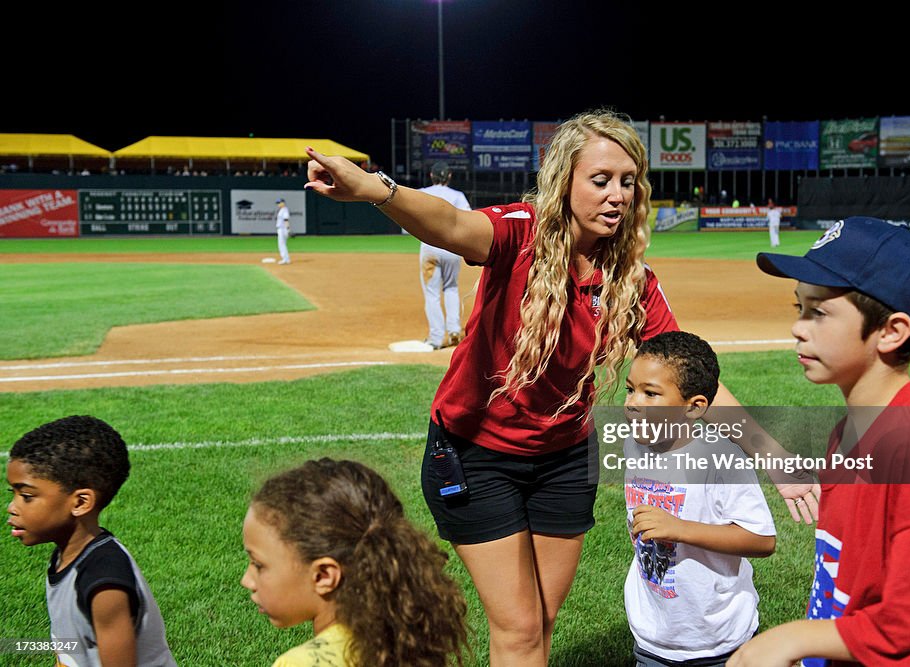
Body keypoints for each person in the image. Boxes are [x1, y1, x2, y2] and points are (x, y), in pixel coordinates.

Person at [304, 109, 816, 666]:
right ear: (563, 182)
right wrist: (379, 190)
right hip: (477, 455)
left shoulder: (632, 280)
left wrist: (776, 458)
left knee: (542, 620)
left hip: (564, 459)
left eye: (627, 182)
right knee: (520, 628)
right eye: (600, 181)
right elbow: (452, 227)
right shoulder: (521, 233)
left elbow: (695, 382)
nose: (616, 195)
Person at [728, 217, 910, 666]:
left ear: (891, 331)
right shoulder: (849, 432)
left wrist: (792, 639)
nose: (798, 327)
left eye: (819, 311)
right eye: (799, 307)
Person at [623, 331, 776, 666]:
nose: (633, 402)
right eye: (630, 389)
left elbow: (762, 540)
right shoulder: (634, 444)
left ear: (693, 408)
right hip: (653, 636)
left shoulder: (721, 459)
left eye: (651, 393)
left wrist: (679, 529)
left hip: (717, 639)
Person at [240, 457, 468, 667]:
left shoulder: (300, 663)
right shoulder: (410, 641)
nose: (247, 580)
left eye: (258, 565)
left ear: (323, 576)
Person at [5, 415, 176, 666]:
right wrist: (12, 645)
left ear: (80, 503)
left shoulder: (104, 586)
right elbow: (73, 643)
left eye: (27, 496)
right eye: (15, 494)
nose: (12, 507)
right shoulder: (70, 554)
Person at [418, 161, 472, 349]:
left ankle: (435, 337)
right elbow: (468, 220)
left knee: (432, 293)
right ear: (449, 177)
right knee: (451, 287)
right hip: (452, 248)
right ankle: (454, 330)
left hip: (430, 248)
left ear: (431, 176)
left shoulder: (422, 193)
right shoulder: (458, 196)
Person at [275, 197, 291, 264]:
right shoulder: (282, 210)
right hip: (282, 229)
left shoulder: (284, 210)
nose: (278, 204)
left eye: (279, 202)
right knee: (282, 244)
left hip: (282, 229)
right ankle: (286, 259)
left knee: (281, 244)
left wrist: (288, 229)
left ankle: (285, 259)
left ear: (283, 203)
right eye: (277, 203)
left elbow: (286, 219)